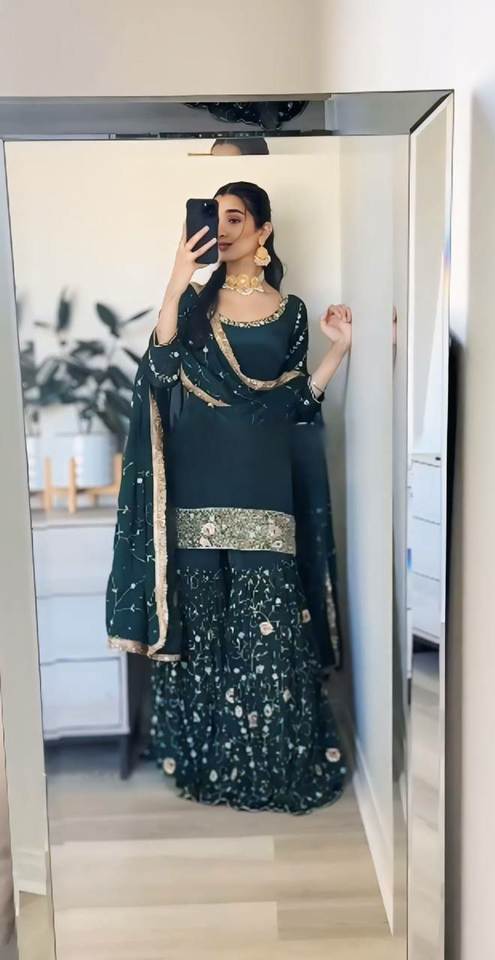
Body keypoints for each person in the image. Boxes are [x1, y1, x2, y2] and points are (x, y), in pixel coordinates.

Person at [106, 181, 352, 814]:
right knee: (204, 634)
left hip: (264, 485)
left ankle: (268, 771)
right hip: (197, 486)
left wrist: (338, 350)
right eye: (215, 218)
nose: (223, 229)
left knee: (267, 637)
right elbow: (160, 372)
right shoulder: (193, 303)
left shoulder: (292, 312)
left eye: (236, 218)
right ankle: (205, 766)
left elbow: (295, 404)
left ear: (263, 231)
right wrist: (177, 278)